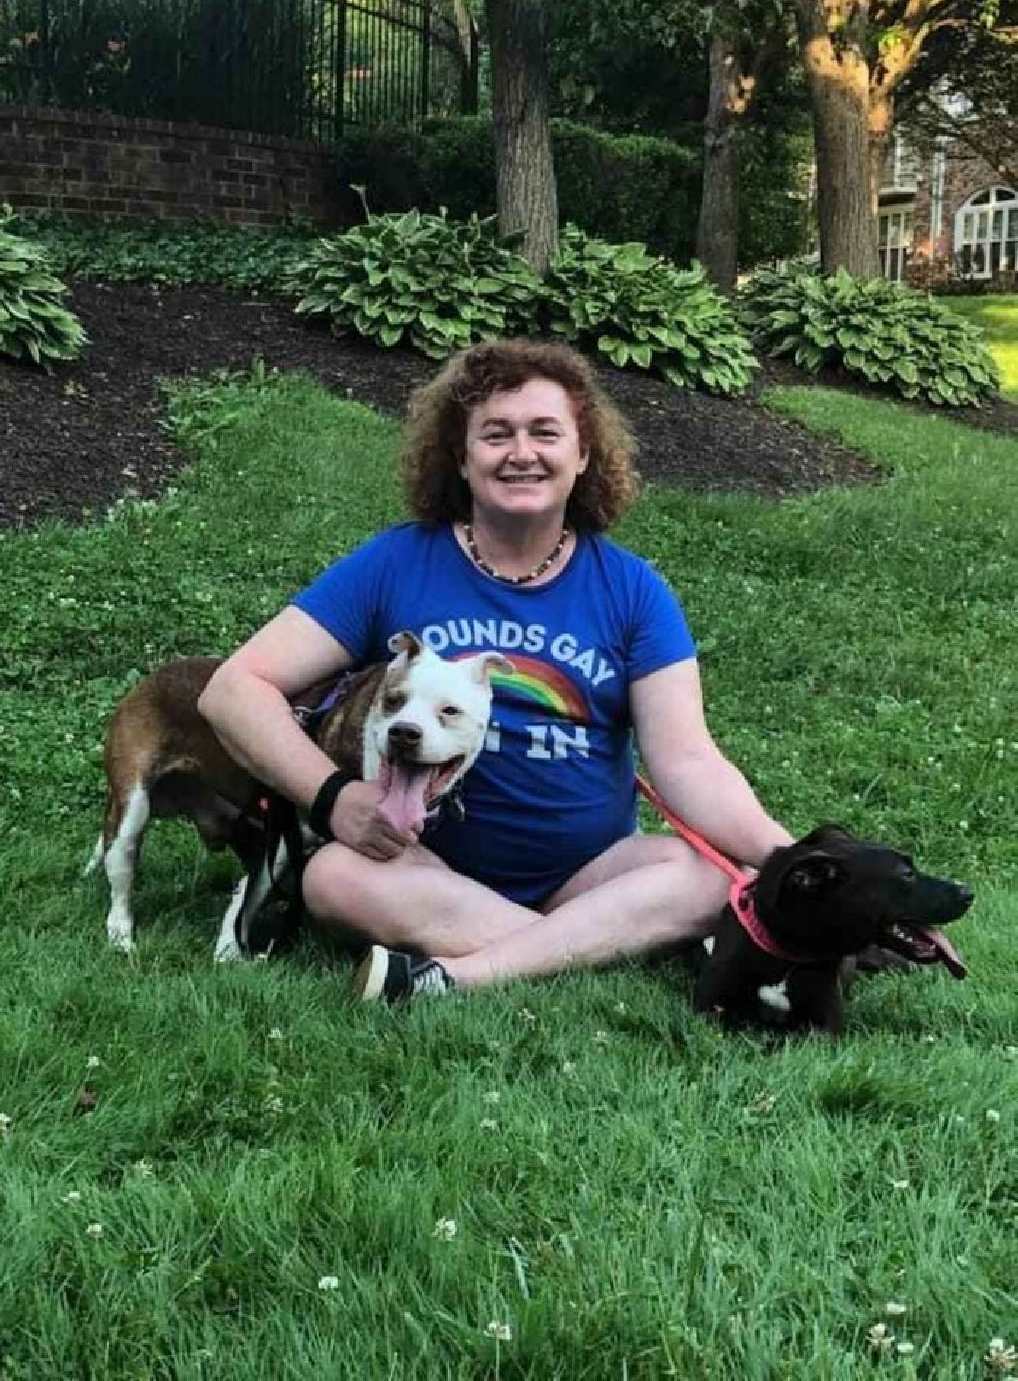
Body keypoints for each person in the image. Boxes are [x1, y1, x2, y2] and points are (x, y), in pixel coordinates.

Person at [198, 339, 793, 1002]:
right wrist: (334, 798)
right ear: (461, 455)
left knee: (708, 876)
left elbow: (688, 763)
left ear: (584, 454)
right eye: (495, 434)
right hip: (423, 869)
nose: (521, 453)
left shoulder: (632, 590)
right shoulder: (397, 563)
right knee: (333, 878)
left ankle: (456, 974)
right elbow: (233, 690)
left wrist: (788, 858)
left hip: (587, 871)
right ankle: (583, 944)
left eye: (545, 432)